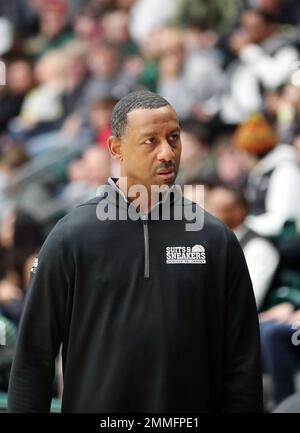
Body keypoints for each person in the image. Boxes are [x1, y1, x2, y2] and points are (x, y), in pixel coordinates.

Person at [8, 90, 263, 413]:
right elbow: (33, 358)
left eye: (174, 138)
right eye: (151, 141)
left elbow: (242, 361)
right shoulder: (70, 237)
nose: (167, 153)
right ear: (116, 148)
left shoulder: (215, 240)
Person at [206, 185, 279, 309]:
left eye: (215, 209)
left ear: (238, 211)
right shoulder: (209, 243)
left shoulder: (259, 249)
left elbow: (247, 302)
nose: (205, 214)